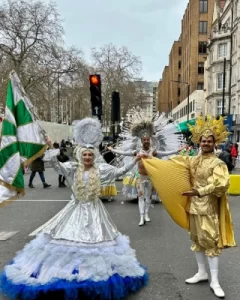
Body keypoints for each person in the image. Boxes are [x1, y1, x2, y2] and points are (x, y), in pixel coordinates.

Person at [0, 118, 148, 300]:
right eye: (84, 155)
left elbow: (119, 172)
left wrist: (135, 160)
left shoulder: (101, 169)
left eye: (90, 155)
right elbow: (56, 166)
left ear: (94, 156)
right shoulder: (72, 168)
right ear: (80, 155)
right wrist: (50, 148)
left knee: (98, 245)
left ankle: (91, 276)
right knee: (64, 243)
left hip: (95, 211)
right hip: (75, 209)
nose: (87, 157)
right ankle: (68, 274)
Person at [167, 115, 236, 298]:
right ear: (199, 142)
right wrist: (151, 158)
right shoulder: (194, 160)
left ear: (215, 143)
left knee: (210, 242)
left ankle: (215, 280)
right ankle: (202, 273)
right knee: (197, 241)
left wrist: (199, 191)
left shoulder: (218, 163)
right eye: (203, 140)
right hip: (193, 208)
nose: (205, 143)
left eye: (209, 141)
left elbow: (222, 184)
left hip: (209, 208)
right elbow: (177, 162)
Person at [108, 109, 183, 226]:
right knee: (141, 196)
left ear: (150, 140)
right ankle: (141, 217)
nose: (146, 141)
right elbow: (124, 153)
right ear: (141, 140)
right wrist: (112, 150)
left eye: (148, 139)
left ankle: (146, 213)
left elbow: (166, 153)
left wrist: (178, 150)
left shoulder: (153, 152)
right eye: (144, 140)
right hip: (141, 177)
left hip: (151, 178)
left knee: (148, 197)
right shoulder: (137, 151)